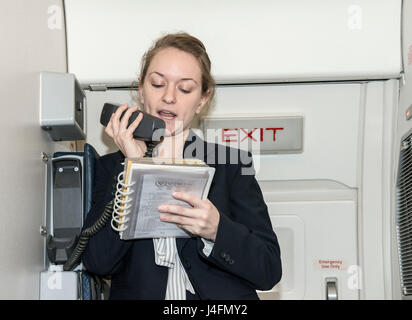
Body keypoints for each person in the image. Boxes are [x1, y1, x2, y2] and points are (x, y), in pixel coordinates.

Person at [82, 32, 282, 300]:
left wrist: (216, 230)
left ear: (202, 100)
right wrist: (134, 166)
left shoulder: (232, 165)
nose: (168, 97)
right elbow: (99, 262)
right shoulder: (110, 168)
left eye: (184, 88)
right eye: (157, 84)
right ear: (141, 90)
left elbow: (269, 269)